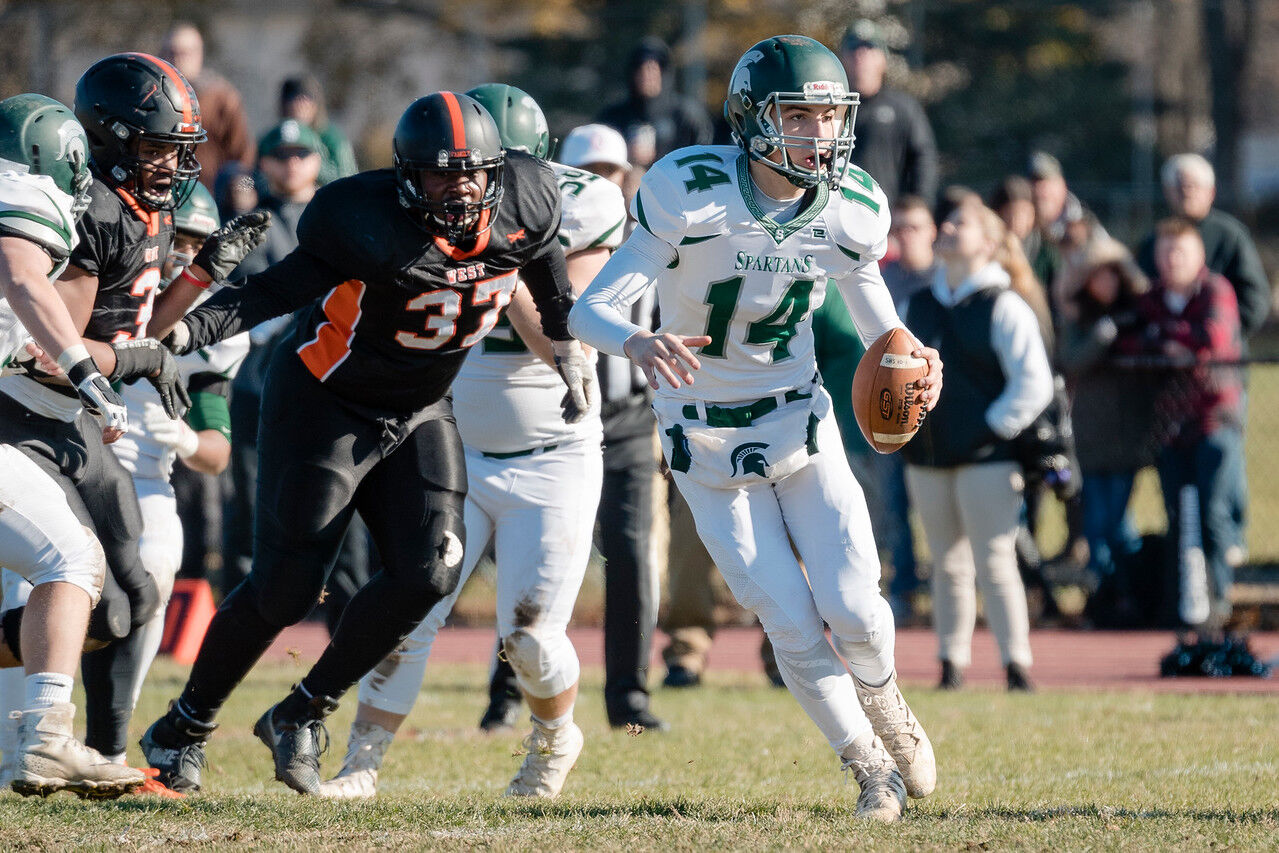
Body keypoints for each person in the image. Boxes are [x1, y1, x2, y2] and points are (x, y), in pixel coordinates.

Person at [139, 91, 591, 796]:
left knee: (431, 571)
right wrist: (182, 333)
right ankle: (182, 726)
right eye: (439, 174)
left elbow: (543, 262)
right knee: (286, 589)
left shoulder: (527, 197)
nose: (458, 188)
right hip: (326, 403)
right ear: (406, 176)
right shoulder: (363, 219)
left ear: (499, 172)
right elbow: (273, 292)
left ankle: (301, 711)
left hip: (419, 406)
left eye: (471, 173)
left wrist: (564, 346)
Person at [571, 35, 941, 822]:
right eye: (798, 117)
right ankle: (869, 767)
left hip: (797, 420)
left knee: (856, 607)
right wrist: (636, 340)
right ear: (751, 120)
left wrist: (915, 360)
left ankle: (886, 700)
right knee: (789, 621)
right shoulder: (691, 192)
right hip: (702, 437)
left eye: (828, 118)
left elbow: (884, 333)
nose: (819, 135)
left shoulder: (849, 206)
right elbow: (588, 309)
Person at [319, 84, 617, 799]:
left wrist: (501, 268)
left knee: (530, 636)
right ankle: (360, 764)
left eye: (486, 172)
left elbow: (570, 338)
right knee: (408, 612)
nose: (469, 189)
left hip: (553, 453)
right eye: (457, 171)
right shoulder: (421, 209)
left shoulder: (582, 205)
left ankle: (554, 740)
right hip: (455, 443)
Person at [0, 93, 144, 799]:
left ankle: (43, 736)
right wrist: (87, 373)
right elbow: (22, 273)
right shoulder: (19, 195)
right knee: (70, 557)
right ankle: (47, 738)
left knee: (67, 557)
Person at [83, 182, 248, 784]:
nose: (184, 256)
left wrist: (183, 439)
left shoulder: (213, 328)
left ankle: (107, 744)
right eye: (177, 240)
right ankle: (21, 735)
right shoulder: (103, 279)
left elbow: (217, 452)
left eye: (199, 246)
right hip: (68, 457)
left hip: (145, 478)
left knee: (155, 565)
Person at [901, 194, 1052, 692]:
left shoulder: (1002, 304)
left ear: (989, 242)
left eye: (960, 223)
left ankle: (1016, 665)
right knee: (945, 563)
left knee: (995, 560)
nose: (947, 227)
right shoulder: (917, 304)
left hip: (989, 459)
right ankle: (951, 663)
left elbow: (1034, 382)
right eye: (946, 221)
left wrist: (989, 427)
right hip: (928, 457)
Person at [554, 121, 669, 732]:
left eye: (610, 173)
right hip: (559, 413)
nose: (600, 185)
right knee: (543, 554)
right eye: (587, 173)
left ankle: (629, 697)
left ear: (627, 178)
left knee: (631, 554)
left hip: (627, 418)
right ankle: (506, 693)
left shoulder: (651, 235)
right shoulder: (541, 237)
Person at [1119, 218, 1244, 629]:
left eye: (1181, 251)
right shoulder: (1151, 298)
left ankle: (1218, 602)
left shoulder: (1215, 291)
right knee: (1179, 516)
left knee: (1212, 514)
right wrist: (1171, 342)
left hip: (1213, 422)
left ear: (1198, 255)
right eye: (1166, 252)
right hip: (1170, 427)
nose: (1173, 259)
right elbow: (1128, 340)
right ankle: (1187, 605)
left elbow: (1212, 340)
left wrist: (1164, 338)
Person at [1056, 239, 1152, 624]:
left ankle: (1128, 595)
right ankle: (1101, 597)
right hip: (1091, 437)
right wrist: (1103, 334)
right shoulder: (1080, 321)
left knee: (1120, 524)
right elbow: (1072, 361)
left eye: (1113, 275)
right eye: (1099, 276)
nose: (1106, 283)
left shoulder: (1139, 317)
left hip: (1128, 436)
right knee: (1096, 523)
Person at [878, 195, 938, 619]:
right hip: (890, 408)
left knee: (939, 511)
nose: (905, 237)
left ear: (932, 231)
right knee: (892, 505)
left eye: (914, 227)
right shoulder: (882, 279)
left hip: (937, 412)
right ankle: (902, 589)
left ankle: (949, 590)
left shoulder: (945, 280)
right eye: (898, 229)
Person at [838, 21, 938, 206]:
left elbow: (923, 159)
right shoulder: (830, 109)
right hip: (837, 211)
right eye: (853, 48)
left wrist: (921, 205)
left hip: (889, 213)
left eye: (870, 47)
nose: (861, 55)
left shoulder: (903, 107)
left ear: (883, 59)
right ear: (842, 57)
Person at [160, 21, 255, 190]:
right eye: (171, 52)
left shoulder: (222, 98)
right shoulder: (154, 98)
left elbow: (242, 157)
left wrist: (240, 191)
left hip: (211, 194)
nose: (177, 59)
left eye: (184, 53)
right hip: (163, 191)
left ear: (199, 55)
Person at [596, 37, 714, 170]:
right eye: (640, 69)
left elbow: (706, 160)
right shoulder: (613, 117)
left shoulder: (687, 116)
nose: (646, 76)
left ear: (663, 73)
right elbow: (598, 161)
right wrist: (624, 154)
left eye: (652, 69)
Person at [278, 75, 358, 186]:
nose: (300, 105)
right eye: (293, 99)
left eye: (306, 99)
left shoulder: (333, 139)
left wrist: (311, 164)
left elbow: (349, 180)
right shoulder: (275, 138)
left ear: (316, 104)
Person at [990, 176, 1058, 302]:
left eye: (1024, 212)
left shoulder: (1047, 249)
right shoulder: (989, 249)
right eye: (1009, 213)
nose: (1016, 221)